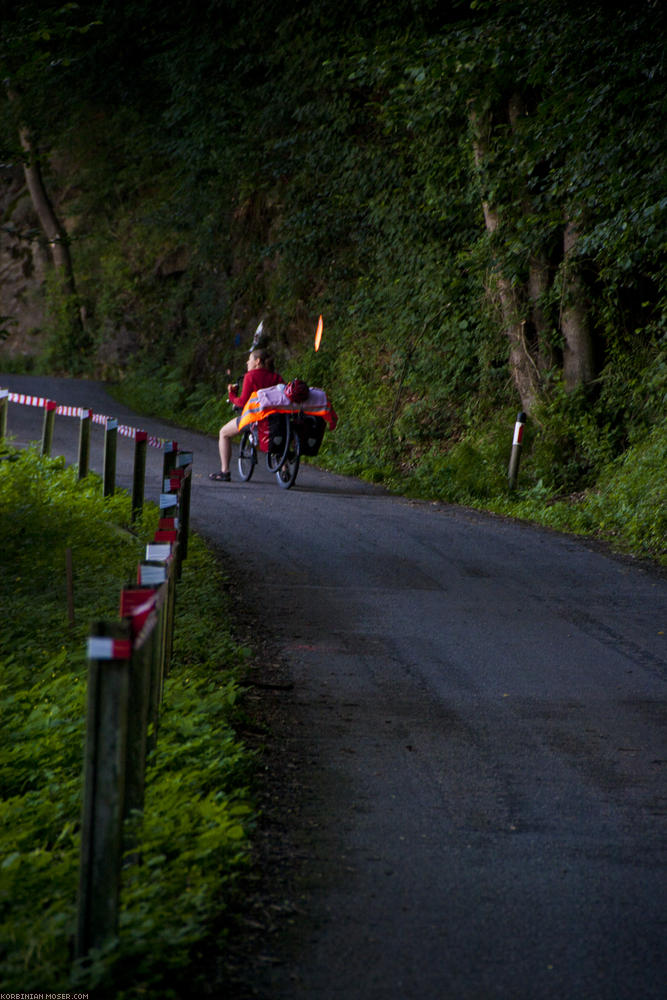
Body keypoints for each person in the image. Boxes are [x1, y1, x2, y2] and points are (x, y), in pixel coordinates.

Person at [209, 348, 283, 481]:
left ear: (257, 361)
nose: (247, 362)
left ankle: (225, 471)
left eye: (249, 359)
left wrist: (232, 395)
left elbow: (243, 402)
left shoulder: (251, 376)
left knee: (224, 433)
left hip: (255, 419)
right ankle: (284, 469)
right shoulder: (277, 377)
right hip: (275, 420)